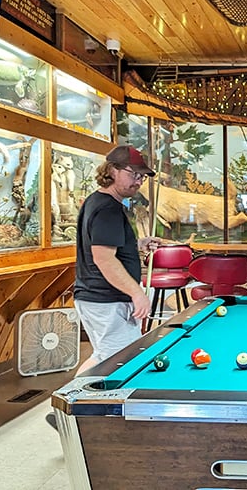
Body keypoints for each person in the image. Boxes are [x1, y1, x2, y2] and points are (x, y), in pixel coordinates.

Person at [46, 145, 161, 429]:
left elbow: (106, 249)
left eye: (142, 176)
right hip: (105, 300)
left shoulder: (98, 203)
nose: (138, 181)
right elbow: (103, 258)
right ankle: (79, 417)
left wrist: (136, 247)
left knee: (104, 357)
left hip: (98, 298)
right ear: (111, 170)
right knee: (121, 361)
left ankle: (64, 408)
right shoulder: (108, 208)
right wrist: (137, 293)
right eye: (133, 173)